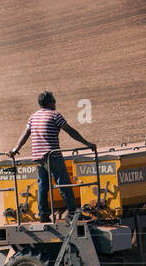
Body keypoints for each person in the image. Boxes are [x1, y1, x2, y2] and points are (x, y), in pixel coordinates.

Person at [10, 91, 96, 222]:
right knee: (64, 184)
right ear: (50, 102)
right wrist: (87, 144)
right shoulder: (55, 115)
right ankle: (73, 213)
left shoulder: (33, 117)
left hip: (38, 157)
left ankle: (43, 215)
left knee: (42, 186)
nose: (55, 103)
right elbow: (71, 131)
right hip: (52, 156)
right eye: (54, 101)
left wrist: (15, 150)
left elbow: (25, 134)